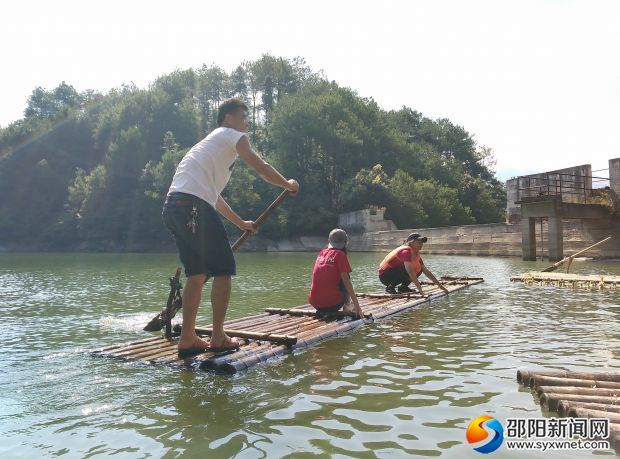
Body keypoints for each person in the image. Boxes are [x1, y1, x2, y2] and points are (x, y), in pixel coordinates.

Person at [162, 98, 299, 358]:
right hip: (193, 206)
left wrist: (241, 223)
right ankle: (217, 337)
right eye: (243, 118)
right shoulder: (231, 136)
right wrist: (288, 184)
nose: (246, 124)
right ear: (228, 119)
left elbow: (214, 197)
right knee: (223, 269)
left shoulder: (210, 148)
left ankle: (188, 338)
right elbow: (262, 168)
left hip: (174, 207)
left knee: (197, 272)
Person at [308, 229, 364, 320]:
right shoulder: (340, 254)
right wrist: (357, 305)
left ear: (329, 241)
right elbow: (346, 279)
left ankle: (329, 302)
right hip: (332, 304)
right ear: (345, 242)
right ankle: (348, 306)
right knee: (345, 277)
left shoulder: (321, 253)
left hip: (315, 303)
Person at [378, 233, 448, 296]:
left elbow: (426, 271)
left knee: (419, 269)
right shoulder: (405, 252)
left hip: (395, 273)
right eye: (419, 242)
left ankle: (403, 287)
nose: (421, 244)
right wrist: (420, 289)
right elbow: (410, 272)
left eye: (422, 242)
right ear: (411, 242)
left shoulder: (415, 254)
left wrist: (440, 286)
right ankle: (390, 288)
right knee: (407, 269)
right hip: (385, 276)